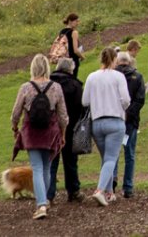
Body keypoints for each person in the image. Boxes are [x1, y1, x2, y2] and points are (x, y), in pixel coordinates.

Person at [10, 54, 69, 220]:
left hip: (31, 131)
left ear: (33, 67)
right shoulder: (56, 87)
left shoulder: (25, 87)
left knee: (36, 167)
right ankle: (45, 200)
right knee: (46, 167)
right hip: (50, 131)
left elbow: (16, 113)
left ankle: (41, 204)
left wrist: (15, 127)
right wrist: (63, 133)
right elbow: (63, 115)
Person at [82, 47, 130, 206]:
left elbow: (85, 101)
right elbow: (126, 99)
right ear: (114, 59)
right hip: (115, 121)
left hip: (97, 123)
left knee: (106, 158)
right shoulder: (119, 76)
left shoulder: (91, 77)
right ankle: (100, 190)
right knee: (111, 158)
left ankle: (109, 192)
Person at [46, 57, 83, 204]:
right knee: (71, 161)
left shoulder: (48, 83)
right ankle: (73, 190)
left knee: (52, 162)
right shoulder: (75, 85)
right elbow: (80, 108)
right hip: (71, 128)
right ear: (70, 69)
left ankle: (49, 194)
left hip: (51, 128)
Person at [112, 51, 146, 199]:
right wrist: (129, 114)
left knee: (112, 153)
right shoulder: (137, 77)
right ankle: (128, 187)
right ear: (130, 61)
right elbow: (140, 100)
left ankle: (111, 183)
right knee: (129, 154)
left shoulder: (111, 76)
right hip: (131, 121)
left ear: (117, 61)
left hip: (114, 118)